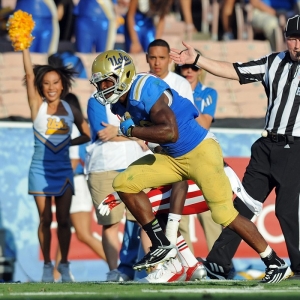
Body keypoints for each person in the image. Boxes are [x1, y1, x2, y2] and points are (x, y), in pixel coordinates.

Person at [89, 48, 291, 284]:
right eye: (100, 84)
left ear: (122, 76)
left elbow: (171, 132)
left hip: (200, 152)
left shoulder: (145, 88)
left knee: (224, 214)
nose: (102, 88)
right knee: (123, 182)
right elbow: (157, 143)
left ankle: (274, 262)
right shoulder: (119, 105)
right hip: (172, 157)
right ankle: (161, 244)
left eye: (106, 82)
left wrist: (131, 130)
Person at [170, 14, 300, 281]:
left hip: (295, 147)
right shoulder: (273, 62)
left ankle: (298, 267)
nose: (296, 45)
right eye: (292, 38)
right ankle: (218, 263)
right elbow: (235, 70)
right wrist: (198, 60)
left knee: (286, 210)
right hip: (266, 145)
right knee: (242, 207)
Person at [9, 9, 91, 281]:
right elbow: (28, 74)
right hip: (40, 170)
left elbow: (87, 135)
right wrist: (24, 47)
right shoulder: (37, 106)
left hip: (64, 169)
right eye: (46, 83)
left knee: (65, 221)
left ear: (62, 84)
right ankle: (47, 265)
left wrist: (70, 141)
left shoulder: (70, 108)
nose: (52, 87)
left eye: (56, 82)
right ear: (41, 87)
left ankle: (64, 264)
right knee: (45, 221)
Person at [85, 93, 152, 281]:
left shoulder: (136, 96)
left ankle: (151, 270)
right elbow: (104, 133)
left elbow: (148, 129)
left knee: (144, 220)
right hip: (104, 166)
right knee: (111, 222)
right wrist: (137, 137)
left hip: (137, 166)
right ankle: (115, 271)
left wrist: (119, 131)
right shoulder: (96, 100)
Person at [145, 38, 194, 253]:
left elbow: (188, 119)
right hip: (149, 154)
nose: (157, 62)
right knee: (146, 216)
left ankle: (189, 267)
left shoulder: (180, 84)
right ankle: (153, 266)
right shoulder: (140, 82)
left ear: (169, 60)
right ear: (147, 58)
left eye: (162, 58)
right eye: (153, 57)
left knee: (178, 217)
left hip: (176, 152)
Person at [52, 93, 106, 282]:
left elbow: (74, 160)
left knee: (83, 234)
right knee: (64, 228)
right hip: (75, 181)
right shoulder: (77, 126)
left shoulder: (71, 127)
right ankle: (55, 275)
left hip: (73, 181)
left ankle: (118, 266)